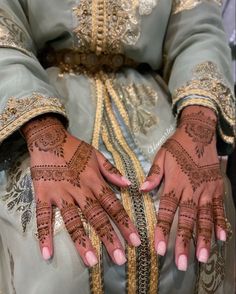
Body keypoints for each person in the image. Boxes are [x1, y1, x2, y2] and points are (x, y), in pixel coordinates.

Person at [0, 0, 235, 293]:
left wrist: (198, 127)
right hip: (37, 101)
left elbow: (197, 32)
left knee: (199, 214)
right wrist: (43, 133)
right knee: (57, 239)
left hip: (158, 105)